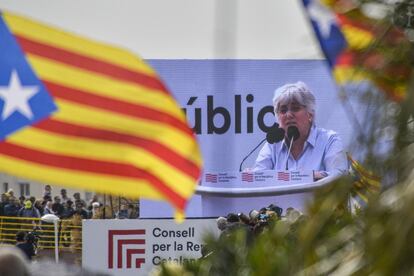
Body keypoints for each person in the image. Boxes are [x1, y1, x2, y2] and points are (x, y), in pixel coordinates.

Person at [253, 81, 348, 180]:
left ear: (310, 114)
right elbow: (257, 179)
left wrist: (305, 176)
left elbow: (339, 177)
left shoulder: (329, 140)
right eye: (283, 110)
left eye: (295, 108)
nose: (288, 115)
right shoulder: (272, 145)